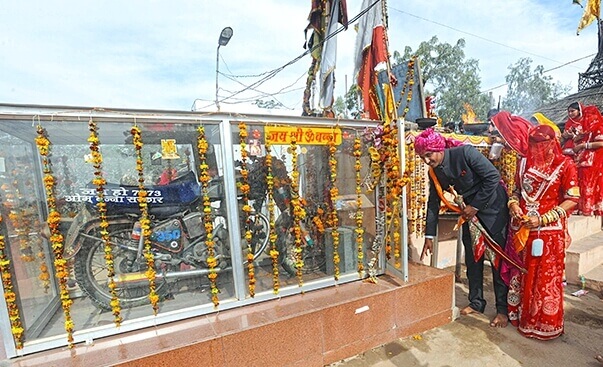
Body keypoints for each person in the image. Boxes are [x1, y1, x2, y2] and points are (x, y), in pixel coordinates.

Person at [417, 128, 510, 328]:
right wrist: (429, 235)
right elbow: (433, 203)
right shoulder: (435, 171)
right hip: (469, 214)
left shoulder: (465, 153)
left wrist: (474, 206)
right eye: (422, 157)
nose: (426, 160)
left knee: (497, 262)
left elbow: (493, 177)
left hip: (493, 210)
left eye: (428, 155)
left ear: (438, 149)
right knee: (473, 257)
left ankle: (502, 309)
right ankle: (476, 302)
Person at [507, 124, 579, 340]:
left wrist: (544, 218)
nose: (536, 149)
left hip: (549, 231)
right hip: (523, 228)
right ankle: (521, 317)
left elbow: (572, 199)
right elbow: (515, 191)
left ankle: (544, 323)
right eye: (533, 144)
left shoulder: (565, 164)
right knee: (523, 272)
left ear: (552, 144)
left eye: (541, 145)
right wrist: (514, 206)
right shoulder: (523, 163)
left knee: (545, 279)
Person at [561, 102, 603, 216]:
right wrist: (568, 137)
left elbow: (601, 143)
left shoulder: (597, 126)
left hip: (591, 160)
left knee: (587, 183)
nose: (589, 118)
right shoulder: (573, 125)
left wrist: (584, 145)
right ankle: (578, 207)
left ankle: (588, 208)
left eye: (572, 111)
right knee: (578, 182)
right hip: (576, 158)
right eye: (568, 111)